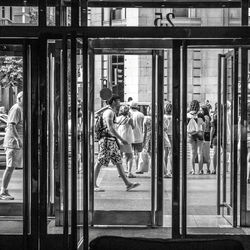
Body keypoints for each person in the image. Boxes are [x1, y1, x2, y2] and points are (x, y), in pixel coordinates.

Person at [93, 95, 140, 192]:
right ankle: (92, 184)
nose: (120, 103)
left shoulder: (109, 111)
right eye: (118, 101)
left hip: (111, 140)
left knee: (118, 161)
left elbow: (96, 114)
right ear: (114, 102)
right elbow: (110, 128)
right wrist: (121, 139)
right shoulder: (110, 112)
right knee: (100, 161)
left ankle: (128, 184)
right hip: (107, 140)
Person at [0, 91, 23, 200]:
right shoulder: (16, 108)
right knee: (10, 167)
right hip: (13, 144)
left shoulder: (21, 109)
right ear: (19, 98)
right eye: (24, 97)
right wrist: (18, 139)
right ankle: (3, 191)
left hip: (16, 144)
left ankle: (4, 190)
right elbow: (11, 125)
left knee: (12, 166)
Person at [116, 105, 135, 178]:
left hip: (119, 138)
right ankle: (129, 172)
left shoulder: (117, 119)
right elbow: (133, 127)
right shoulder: (129, 119)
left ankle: (120, 172)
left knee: (120, 156)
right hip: (127, 139)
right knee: (130, 156)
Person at [187, 100, 205, 175]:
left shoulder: (187, 115)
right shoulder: (200, 115)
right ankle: (200, 170)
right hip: (199, 134)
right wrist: (202, 132)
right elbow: (203, 125)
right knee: (200, 152)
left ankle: (193, 170)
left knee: (192, 152)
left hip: (191, 135)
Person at [130, 102, 145, 172]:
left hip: (129, 136)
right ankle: (137, 168)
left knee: (128, 153)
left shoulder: (128, 114)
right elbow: (143, 126)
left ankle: (128, 169)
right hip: (138, 135)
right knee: (138, 153)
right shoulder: (141, 114)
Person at [201, 104, 211, 174]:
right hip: (207, 134)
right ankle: (207, 169)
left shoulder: (205, 117)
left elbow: (204, 127)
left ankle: (203, 169)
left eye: (201, 110)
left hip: (205, 134)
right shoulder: (209, 117)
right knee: (207, 153)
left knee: (203, 153)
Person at [163, 102, 172, 178]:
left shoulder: (164, 117)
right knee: (171, 153)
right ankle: (172, 170)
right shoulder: (173, 117)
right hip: (172, 135)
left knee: (165, 154)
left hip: (165, 135)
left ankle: (165, 169)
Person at [210, 103, 218, 174]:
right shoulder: (225, 116)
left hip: (216, 136)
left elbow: (212, 130)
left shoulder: (214, 116)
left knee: (215, 153)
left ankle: (214, 169)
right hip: (224, 136)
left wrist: (210, 140)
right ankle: (226, 168)